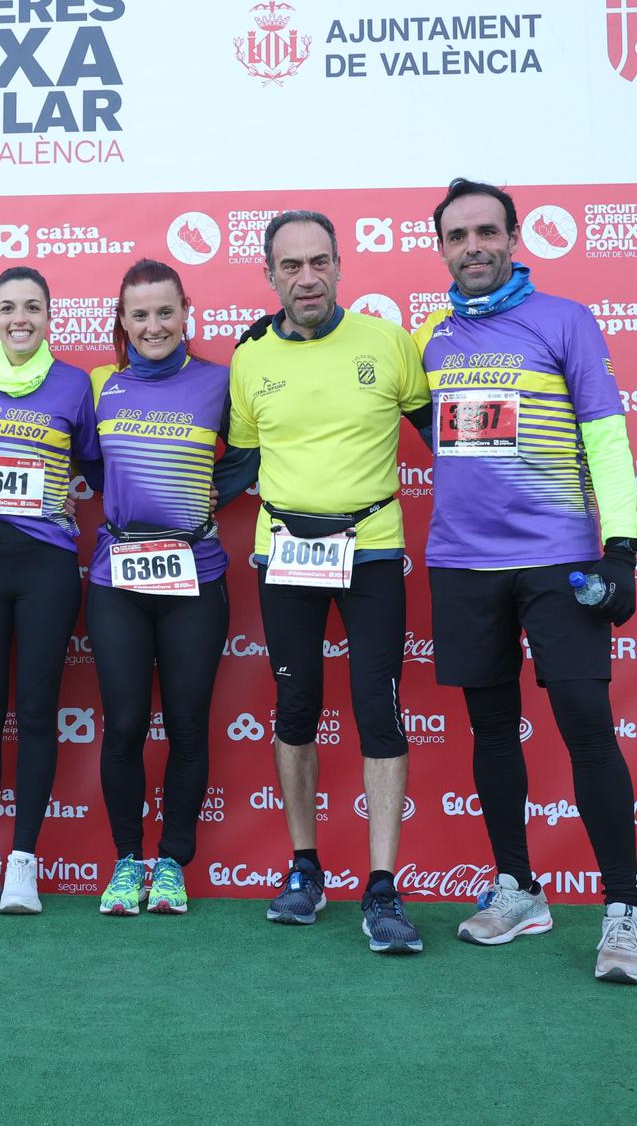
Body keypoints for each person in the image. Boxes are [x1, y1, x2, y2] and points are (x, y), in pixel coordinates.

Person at [411, 178, 637, 984]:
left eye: (486, 231)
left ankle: (625, 911)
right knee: (490, 728)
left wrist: (622, 547)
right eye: (457, 235)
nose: (472, 245)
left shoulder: (565, 320)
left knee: (586, 725)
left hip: (559, 558)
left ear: (513, 238)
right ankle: (520, 887)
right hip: (462, 562)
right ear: (440, 247)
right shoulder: (429, 342)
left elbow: (608, 438)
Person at [227, 210, 431, 955]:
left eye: (319, 262)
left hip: (372, 545)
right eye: (290, 266)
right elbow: (244, 458)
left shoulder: (387, 341)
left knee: (379, 709)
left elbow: (445, 436)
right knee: (296, 705)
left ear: (341, 264)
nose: (306, 277)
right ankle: (306, 868)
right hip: (284, 548)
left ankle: (382, 887)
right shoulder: (249, 358)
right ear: (270, 274)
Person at [87, 260, 257, 917]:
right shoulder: (103, 385)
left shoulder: (219, 380)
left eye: (165, 312)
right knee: (125, 723)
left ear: (186, 311)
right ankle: (128, 860)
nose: (153, 325)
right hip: (118, 576)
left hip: (196, 573)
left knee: (187, 725)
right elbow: (91, 460)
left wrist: (225, 489)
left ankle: (172, 860)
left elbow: (249, 451)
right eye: (140, 314)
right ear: (122, 321)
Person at [0, 267, 101, 914]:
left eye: (33, 307)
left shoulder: (74, 383)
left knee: (37, 708)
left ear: (49, 316)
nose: (21, 317)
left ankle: (24, 863)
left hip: (47, 562)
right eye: (9, 306)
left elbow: (94, 461)